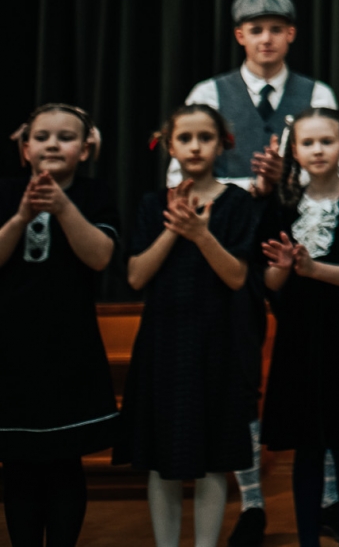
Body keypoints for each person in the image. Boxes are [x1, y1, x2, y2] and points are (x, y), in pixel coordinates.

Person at [174, 0, 339, 547]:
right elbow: (180, 179)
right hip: (228, 249)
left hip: (300, 245)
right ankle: (251, 504)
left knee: (317, 370)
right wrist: (253, 185)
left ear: (290, 35)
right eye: (255, 29)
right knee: (240, 378)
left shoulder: (316, 93)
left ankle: (329, 500)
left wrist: (283, 180)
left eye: (275, 28)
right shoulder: (208, 94)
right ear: (239, 36)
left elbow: (336, 172)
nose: (265, 38)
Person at [116, 105, 260, 547]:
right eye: (185, 138)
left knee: (213, 458)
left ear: (222, 145)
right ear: (170, 146)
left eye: (205, 137)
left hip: (216, 343)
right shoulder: (151, 204)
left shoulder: (238, 204)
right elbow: (136, 276)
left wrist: (201, 234)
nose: (195, 147)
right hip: (163, 343)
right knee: (162, 461)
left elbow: (236, 277)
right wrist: (175, 229)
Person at [258, 107, 339, 547]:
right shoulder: (282, 206)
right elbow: (271, 282)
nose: (317, 150)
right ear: (294, 151)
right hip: (299, 338)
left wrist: (314, 269)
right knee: (306, 448)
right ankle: (308, 540)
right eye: (308, 143)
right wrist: (283, 267)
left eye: (326, 141)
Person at [0, 104, 119, 547]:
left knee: (64, 460)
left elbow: (100, 256)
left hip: (70, 348)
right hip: (10, 350)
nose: (53, 144)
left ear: (85, 150)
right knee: (17, 461)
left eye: (66, 137)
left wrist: (63, 206)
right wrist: (20, 217)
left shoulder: (94, 194)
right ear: (25, 148)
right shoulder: (6, 191)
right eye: (42, 136)